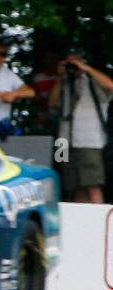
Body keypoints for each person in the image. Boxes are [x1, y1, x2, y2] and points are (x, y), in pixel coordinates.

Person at [50, 49, 113, 203]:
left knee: (92, 183)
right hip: (63, 142)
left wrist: (87, 69)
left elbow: (110, 86)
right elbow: (51, 103)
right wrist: (60, 77)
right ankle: (79, 223)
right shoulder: (65, 82)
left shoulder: (93, 83)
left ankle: (97, 224)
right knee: (71, 185)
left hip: (90, 141)